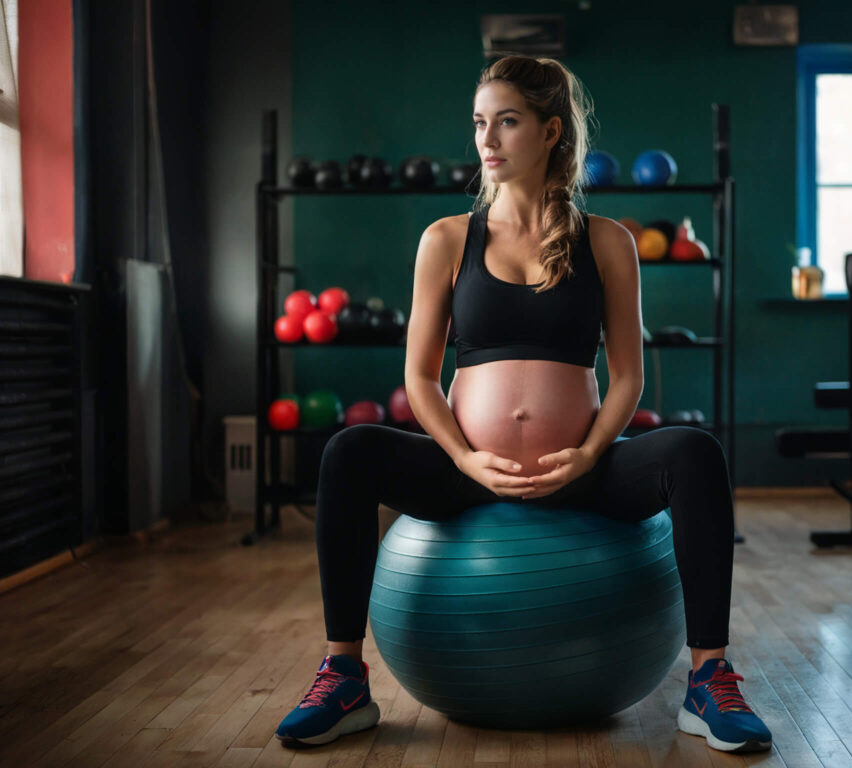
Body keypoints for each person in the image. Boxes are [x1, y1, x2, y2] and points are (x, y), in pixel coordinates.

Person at [275, 55, 772, 754]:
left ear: (550, 131)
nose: (488, 139)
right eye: (480, 123)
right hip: (467, 474)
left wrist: (590, 454)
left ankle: (708, 680)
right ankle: (344, 676)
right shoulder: (446, 239)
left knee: (695, 453)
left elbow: (627, 376)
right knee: (349, 451)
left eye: (506, 121)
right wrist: (467, 460)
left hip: (584, 472)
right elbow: (419, 378)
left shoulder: (608, 242)